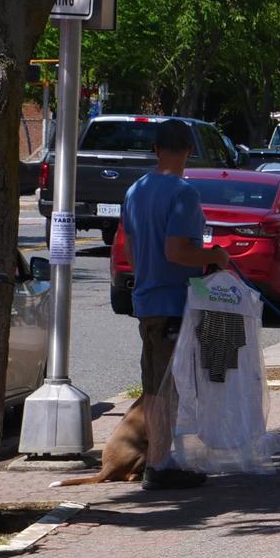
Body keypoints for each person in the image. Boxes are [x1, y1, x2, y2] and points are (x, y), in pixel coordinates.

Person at [118, 117, 231, 491]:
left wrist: (147, 275)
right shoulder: (183, 194)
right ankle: (160, 465)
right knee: (169, 387)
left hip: (146, 299)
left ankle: (157, 460)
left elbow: (132, 250)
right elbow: (177, 249)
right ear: (189, 150)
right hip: (172, 301)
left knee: (152, 386)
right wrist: (213, 256)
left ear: (155, 149)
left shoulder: (136, 190)